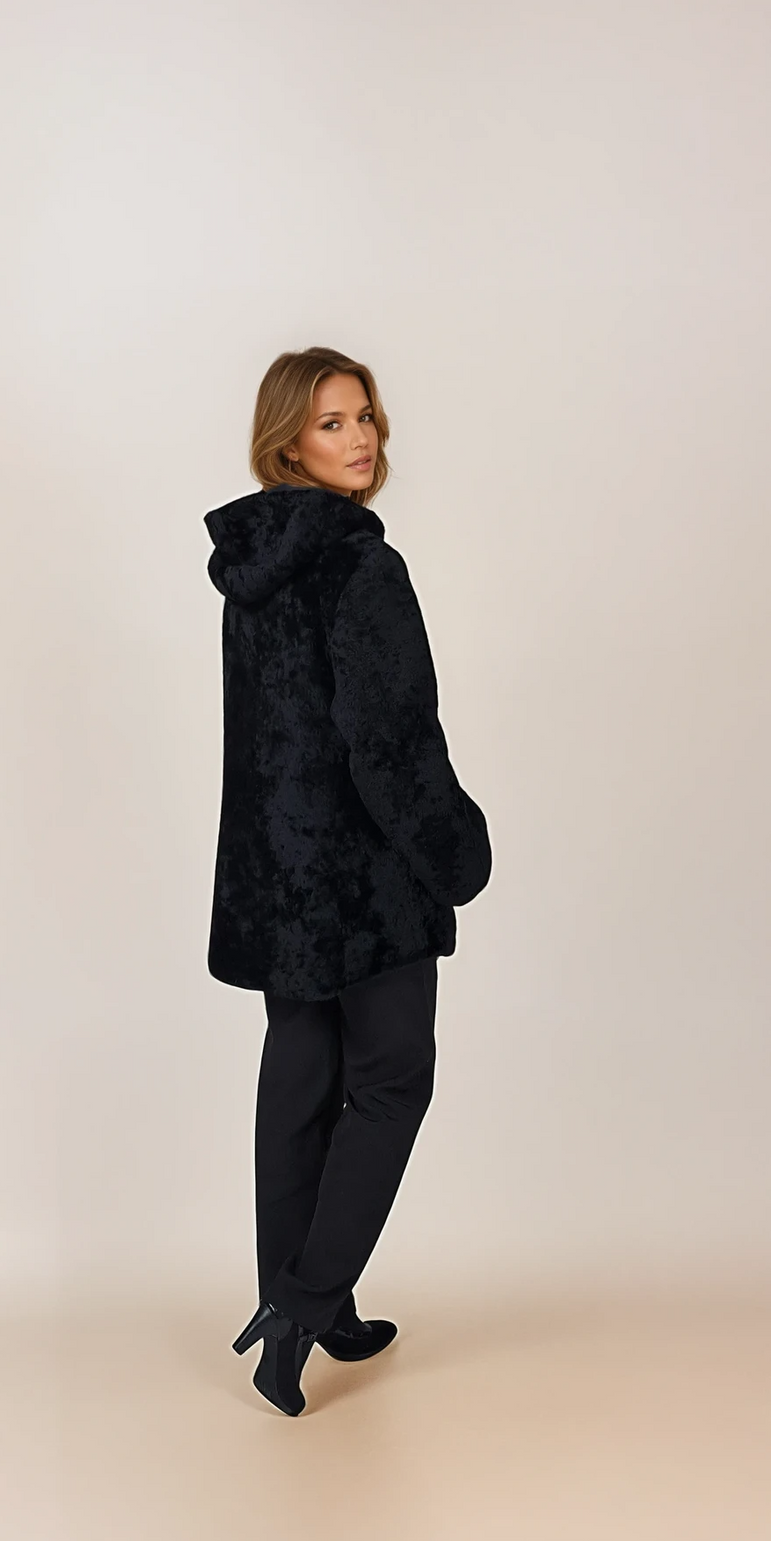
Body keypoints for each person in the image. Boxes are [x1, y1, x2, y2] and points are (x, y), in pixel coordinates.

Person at [204, 346, 492, 1416]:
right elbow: (390, 745)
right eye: (332, 422)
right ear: (288, 443)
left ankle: (306, 1302)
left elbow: (267, 741)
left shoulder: (254, 572)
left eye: (365, 415)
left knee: (298, 1084)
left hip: (283, 881)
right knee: (389, 1085)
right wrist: (453, 849)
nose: (362, 437)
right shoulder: (364, 568)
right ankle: (304, 1303)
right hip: (368, 886)